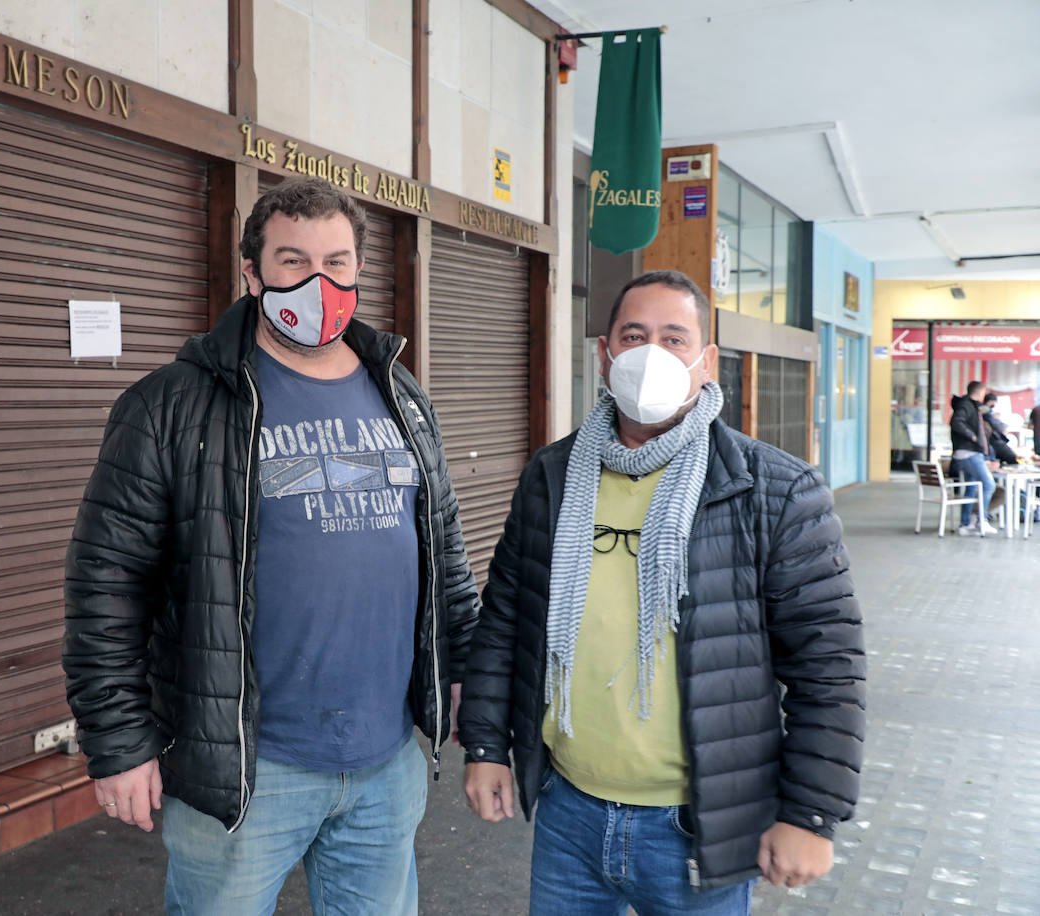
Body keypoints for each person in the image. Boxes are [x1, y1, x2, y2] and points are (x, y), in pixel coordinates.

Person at [61, 177, 478, 916]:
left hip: (385, 765)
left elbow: (444, 560)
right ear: (252, 273)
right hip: (248, 770)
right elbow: (106, 586)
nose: (319, 282)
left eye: (338, 262)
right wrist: (118, 742)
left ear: (357, 272)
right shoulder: (171, 405)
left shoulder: (402, 394)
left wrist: (467, 680)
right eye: (292, 262)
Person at [458, 270, 866, 915]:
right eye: (634, 335)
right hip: (568, 813)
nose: (652, 355)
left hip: (696, 826)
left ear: (706, 363)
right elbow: (506, 619)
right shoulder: (551, 475)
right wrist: (485, 746)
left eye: (674, 339)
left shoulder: (775, 490)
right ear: (604, 354)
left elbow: (828, 663)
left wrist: (811, 814)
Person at [950, 381, 999, 535]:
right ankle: (981, 520)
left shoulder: (968, 405)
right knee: (989, 484)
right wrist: (972, 436)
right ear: (980, 392)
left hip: (966, 452)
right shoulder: (966, 405)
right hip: (969, 452)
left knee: (971, 487)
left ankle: (966, 524)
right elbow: (956, 422)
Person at [982, 393, 1018, 465]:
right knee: (1012, 458)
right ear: (990, 401)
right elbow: (994, 424)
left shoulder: (986, 411)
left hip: (990, 440)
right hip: (993, 439)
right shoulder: (986, 411)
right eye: (995, 402)